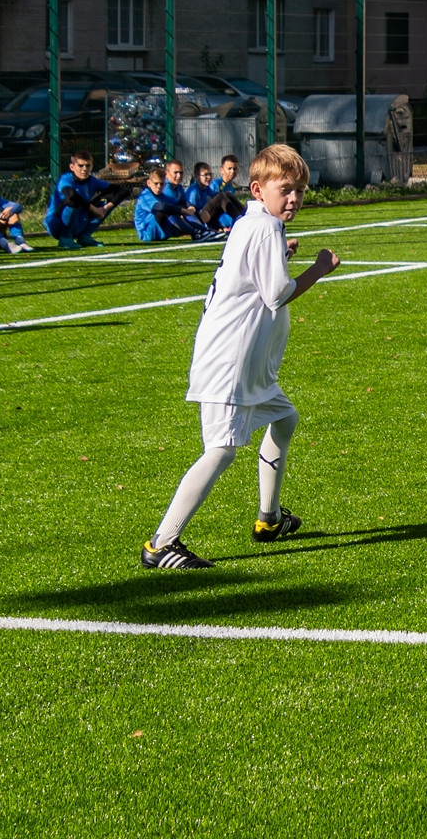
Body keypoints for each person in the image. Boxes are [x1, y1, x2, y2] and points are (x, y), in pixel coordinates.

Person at [143, 143, 341, 569]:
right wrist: (319, 269)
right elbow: (276, 294)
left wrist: (282, 257)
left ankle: (268, 520)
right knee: (221, 450)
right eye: (286, 189)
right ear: (257, 189)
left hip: (246, 368)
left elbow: (248, 275)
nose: (294, 199)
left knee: (284, 419)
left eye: (301, 192)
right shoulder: (265, 228)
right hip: (229, 364)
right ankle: (161, 544)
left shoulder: (256, 224)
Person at [43, 151, 128, 248]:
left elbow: (123, 191)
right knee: (73, 200)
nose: (84, 169)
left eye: (88, 166)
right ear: (72, 167)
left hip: (78, 222)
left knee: (108, 196)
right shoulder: (66, 179)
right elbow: (71, 195)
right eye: (80, 166)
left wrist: (105, 208)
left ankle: (85, 236)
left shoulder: (92, 180)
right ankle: (65, 237)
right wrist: (94, 209)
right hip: (57, 224)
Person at [133, 169, 222, 243]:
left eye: (162, 184)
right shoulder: (145, 196)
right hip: (147, 232)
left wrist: (189, 207)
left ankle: (205, 231)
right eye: (156, 183)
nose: (159, 187)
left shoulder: (161, 195)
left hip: (161, 229)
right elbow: (161, 207)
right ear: (149, 183)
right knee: (167, 211)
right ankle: (196, 233)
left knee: (177, 209)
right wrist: (182, 210)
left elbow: (179, 203)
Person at [207, 155, 247, 228]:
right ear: (222, 170)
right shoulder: (216, 184)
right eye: (229, 168)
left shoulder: (233, 186)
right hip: (217, 216)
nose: (232, 171)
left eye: (234, 169)